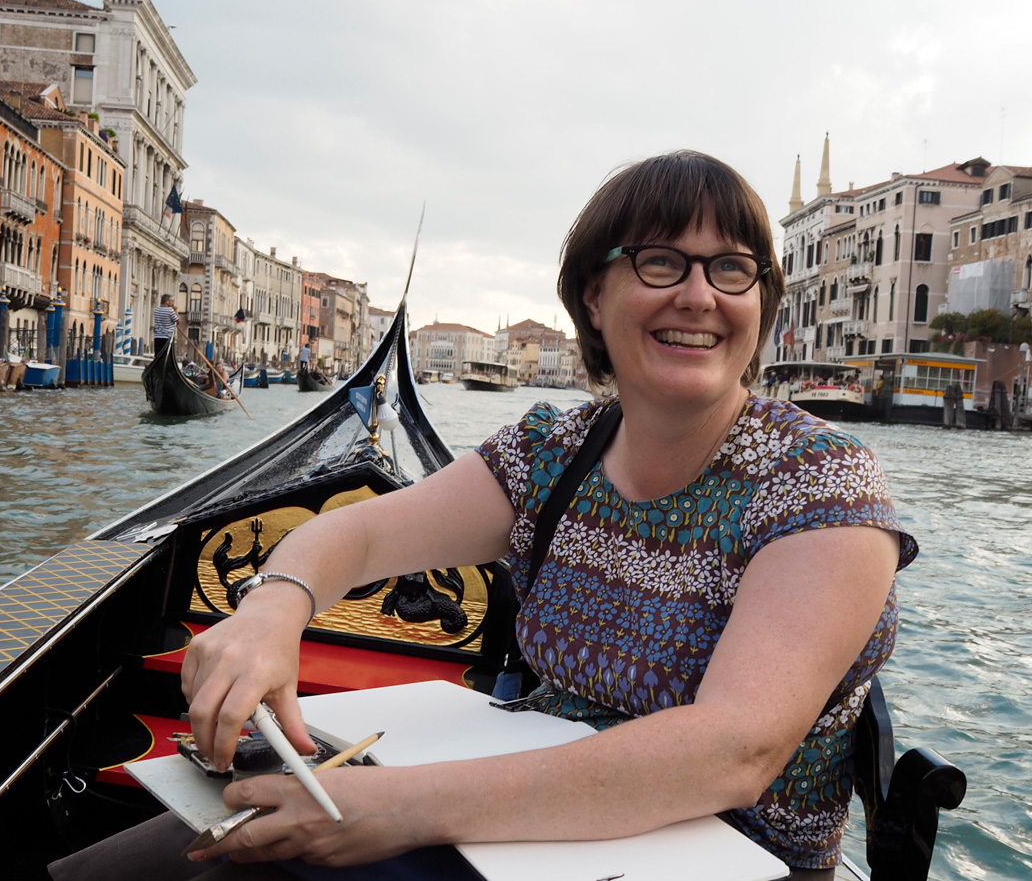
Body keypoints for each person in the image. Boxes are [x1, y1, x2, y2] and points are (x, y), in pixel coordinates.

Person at [50, 152, 915, 881]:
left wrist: (389, 809)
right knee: (185, 844)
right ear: (592, 297)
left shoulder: (820, 487)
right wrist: (275, 605)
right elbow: (357, 532)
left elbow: (732, 753)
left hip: (712, 857)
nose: (699, 294)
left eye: (731, 268)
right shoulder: (555, 451)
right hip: (522, 826)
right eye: (661, 261)